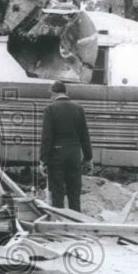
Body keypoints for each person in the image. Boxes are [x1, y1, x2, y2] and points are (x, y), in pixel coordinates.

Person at [40, 80, 92, 212]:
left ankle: (59, 219)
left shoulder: (50, 109)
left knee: (57, 193)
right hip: (74, 155)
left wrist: (43, 160)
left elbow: (47, 137)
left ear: (53, 93)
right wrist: (88, 158)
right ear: (65, 92)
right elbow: (84, 135)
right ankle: (75, 220)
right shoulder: (78, 108)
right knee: (74, 193)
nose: (50, 97)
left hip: (56, 156)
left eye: (50, 94)